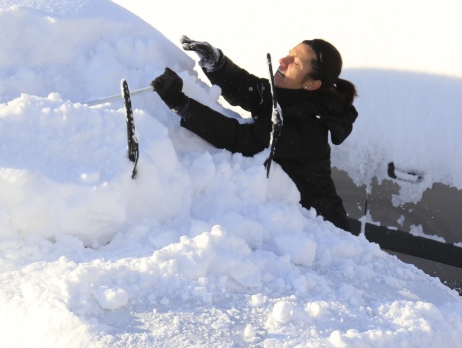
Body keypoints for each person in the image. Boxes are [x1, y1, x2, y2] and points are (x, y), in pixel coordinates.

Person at [151, 35, 358, 231]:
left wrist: (181, 105)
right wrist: (216, 62)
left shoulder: (308, 128)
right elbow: (249, 89)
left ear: (311, 84)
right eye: (289, 53)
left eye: (295, 63)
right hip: (289, 226)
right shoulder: (292, 95)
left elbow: (242, 140)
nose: (282, 60)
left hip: (321, 231)